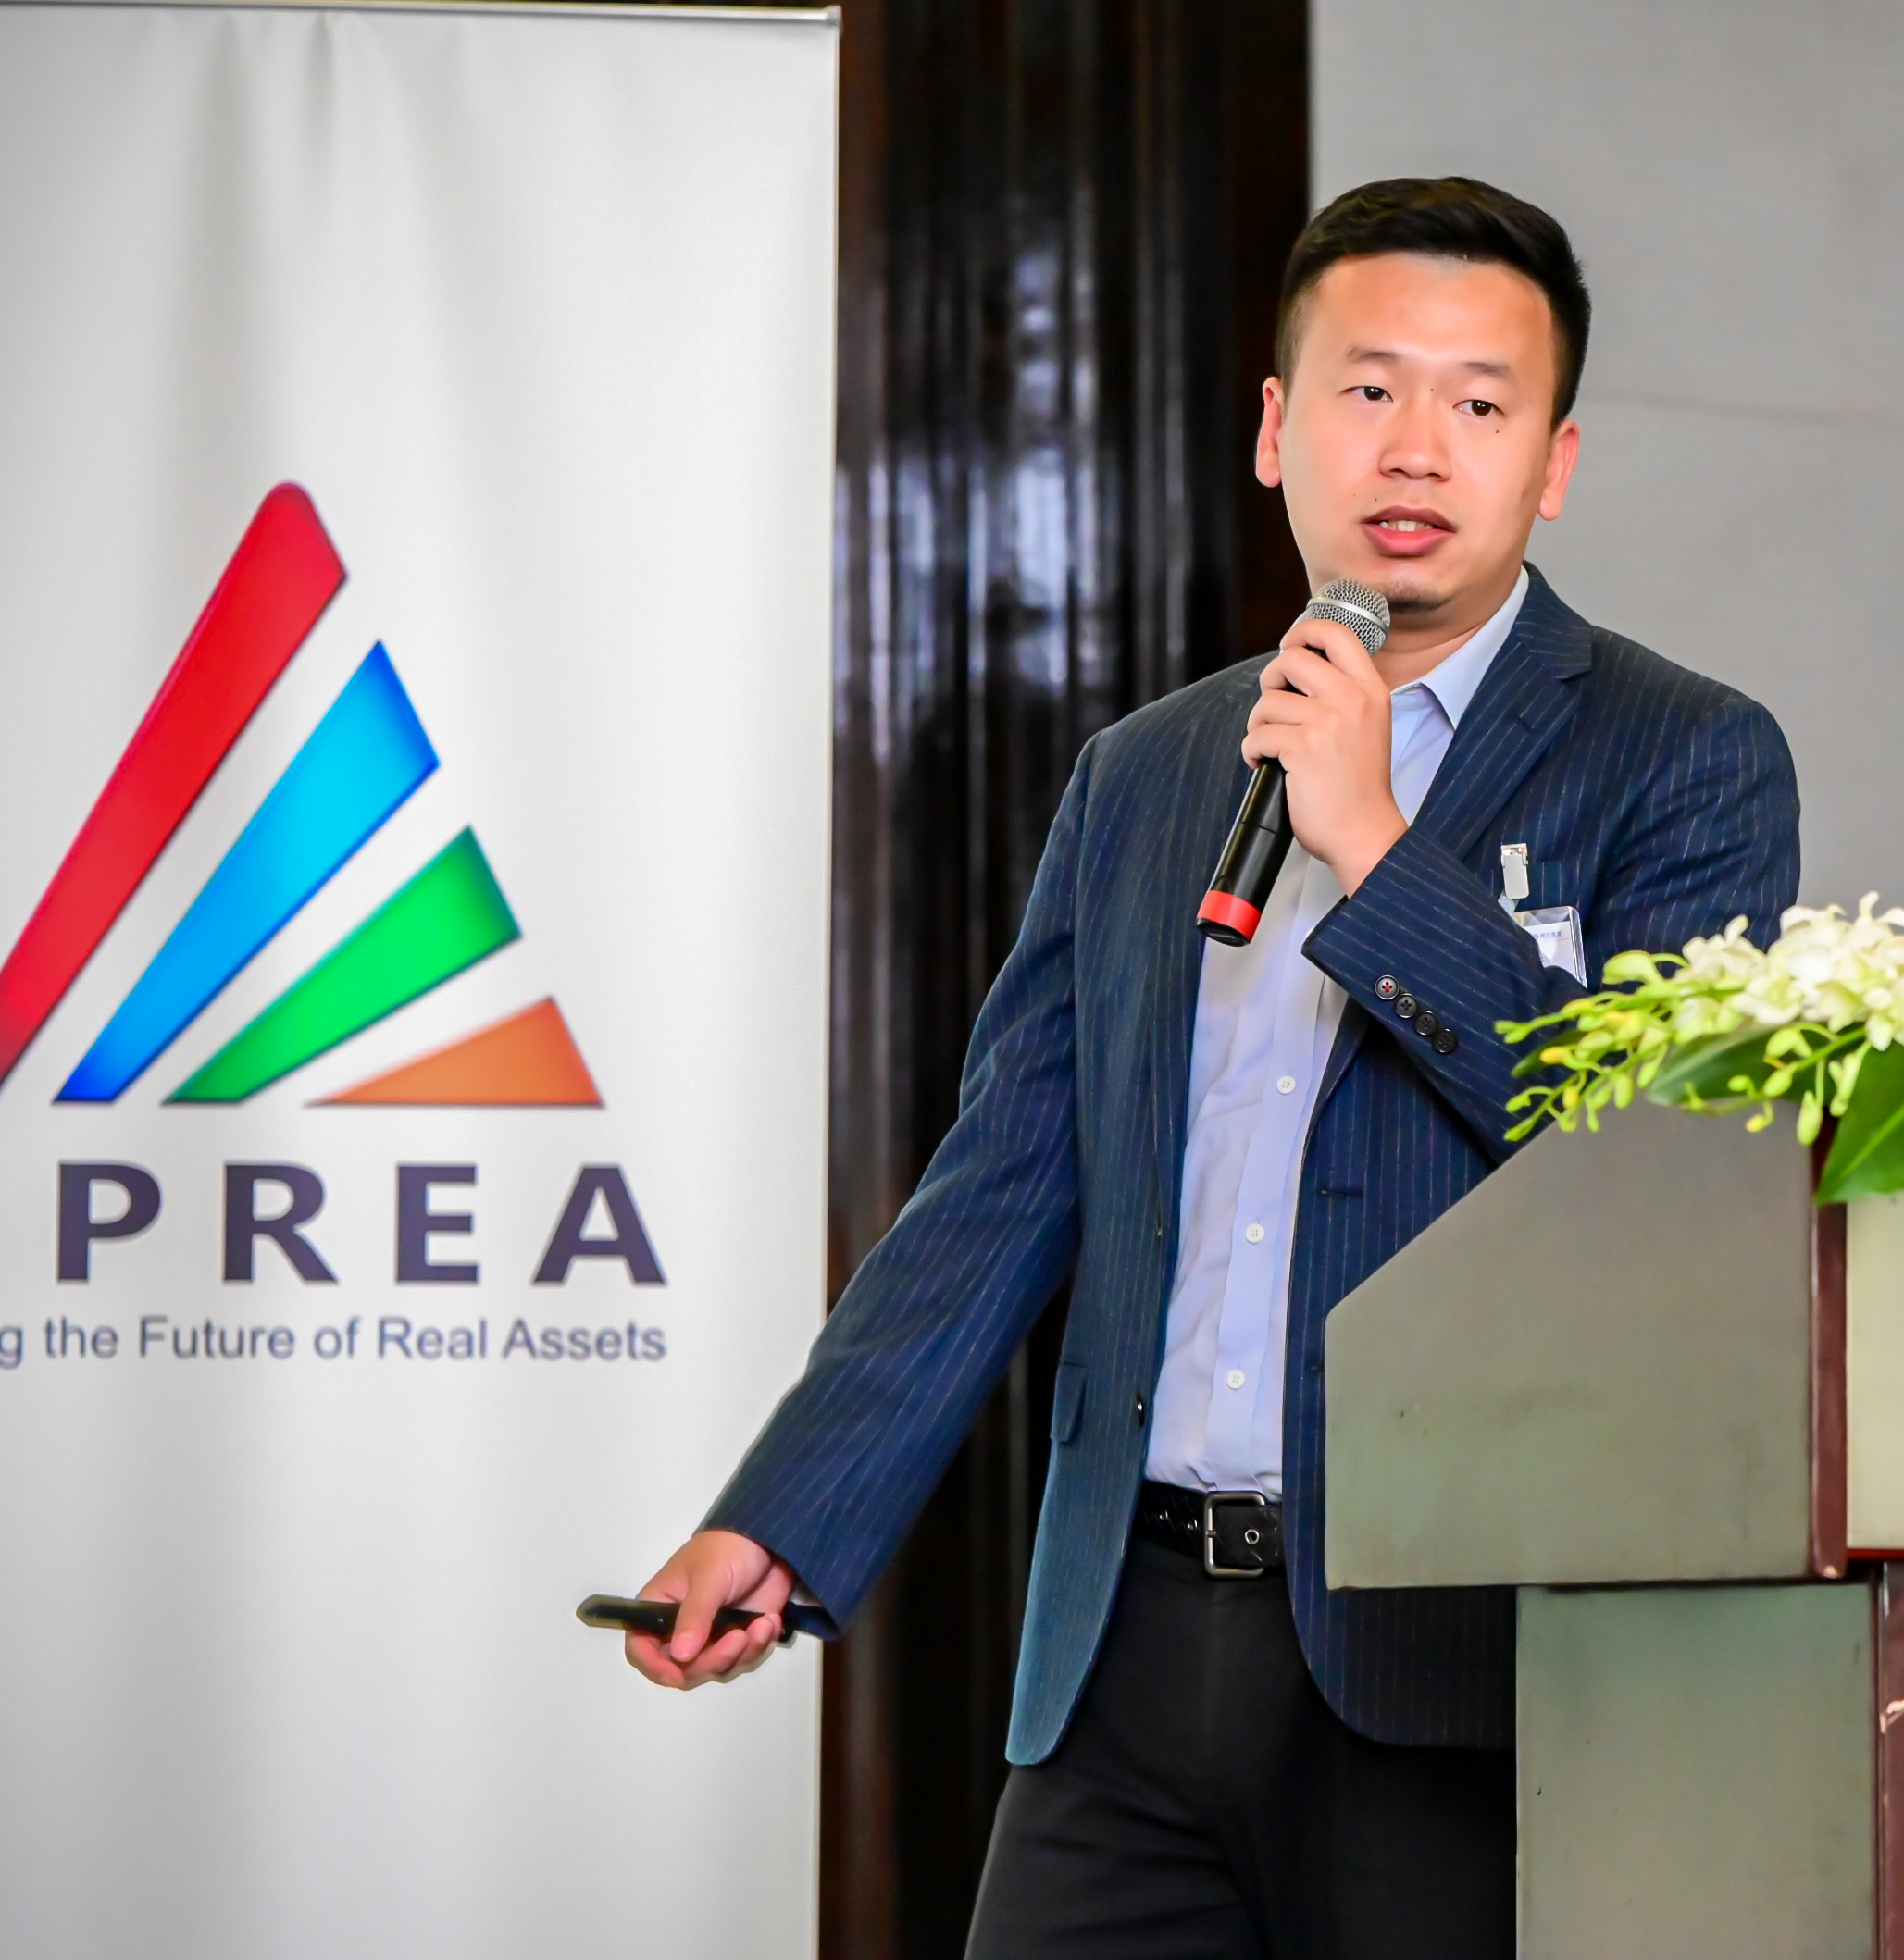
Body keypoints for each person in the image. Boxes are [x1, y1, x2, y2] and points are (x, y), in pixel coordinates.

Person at [622, 175, 1801, 1959]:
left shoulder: (1684, 757)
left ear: (1555, 461)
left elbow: (1660, 1177)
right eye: (1368, 387)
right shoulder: (1149, 771)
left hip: (1456, 1664)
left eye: (1481, 404)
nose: (1417, 447)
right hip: (1129, 1652)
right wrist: (787, 1517)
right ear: (1274, 428)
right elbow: (1001, 1189)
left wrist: (1378, 848)